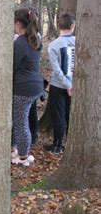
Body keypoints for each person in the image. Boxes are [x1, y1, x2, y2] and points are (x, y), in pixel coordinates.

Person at [11, 8, 44, 167]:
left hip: (23, 88)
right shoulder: (35, 39)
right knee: (21, 120)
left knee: (20, 122)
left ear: (18, 23)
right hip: (34, 85)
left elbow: (12, 65)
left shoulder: (20, 42)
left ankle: (23, 156)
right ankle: (18, 150)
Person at [43, 13, 76, 154]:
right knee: (69, 114)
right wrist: (71, 85)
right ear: (72, 26)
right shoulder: (78, 42)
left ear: (58, 26)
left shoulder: (53, 45)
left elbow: (57, 70)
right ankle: (69, 143)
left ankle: (57, 146)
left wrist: (67, 84)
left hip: (59, 85)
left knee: (59, 115)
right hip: (74, 86)